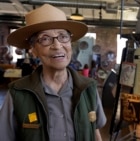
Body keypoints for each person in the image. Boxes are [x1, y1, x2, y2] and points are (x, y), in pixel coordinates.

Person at [0, 4, 106, 141]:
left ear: (70, 43)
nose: (57, 45)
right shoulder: (18, 92)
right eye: (45, 39)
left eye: (63, 36)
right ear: (34, 50)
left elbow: (95, 132)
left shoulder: (89, 88)